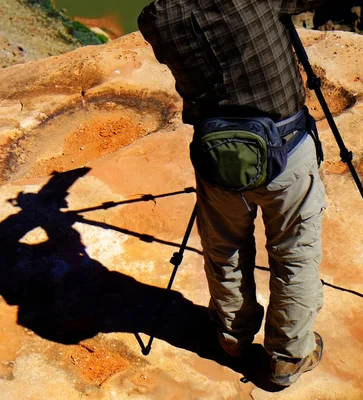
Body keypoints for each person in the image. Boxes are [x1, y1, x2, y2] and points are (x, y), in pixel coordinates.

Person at [138, 0, 328, 387]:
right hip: (286, 150)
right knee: (295, 253)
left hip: (218, 159)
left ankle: (232, 337)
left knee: (224, 249)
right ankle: (287, 357)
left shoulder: (158, 19)